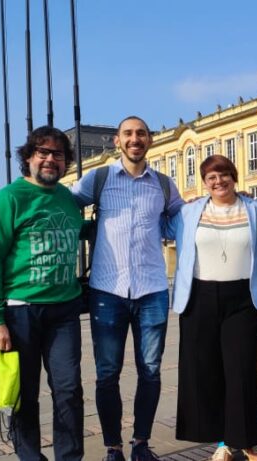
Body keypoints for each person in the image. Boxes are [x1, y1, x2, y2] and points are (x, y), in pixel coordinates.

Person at [71, 115, 183, 461]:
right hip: (107, 291)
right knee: (107, 374)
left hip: (152, 290)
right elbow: (63, 204)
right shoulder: (99, 179)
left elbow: (185, 220)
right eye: (128, 134)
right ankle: (113, 447)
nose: (135, 139)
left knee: (150, 371)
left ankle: (141, 444)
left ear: (150, 140)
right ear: (117, 141)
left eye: (142, 134)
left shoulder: (164, 185)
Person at [0, 126, 85, 461]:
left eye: (58, 154)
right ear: (29, 158)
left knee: (68, 391)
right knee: (25, 395)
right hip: (20, 311)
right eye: (43, 153)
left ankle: (69, 457)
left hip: (63, 310)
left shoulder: (67, 198)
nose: (51, 159)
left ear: (66, 162)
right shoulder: (8, 199)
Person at [167, 155, 257, 461]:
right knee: (206, 372)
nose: (218, 182)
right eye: (211, 177)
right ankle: (223, 442)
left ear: (234, 176)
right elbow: (157, 224)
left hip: (242, 298)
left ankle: (248, 441)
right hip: (199, 297)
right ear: (204, 182)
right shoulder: (189, 212)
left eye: (224, 175)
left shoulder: (255, 209)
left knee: (241, 370)